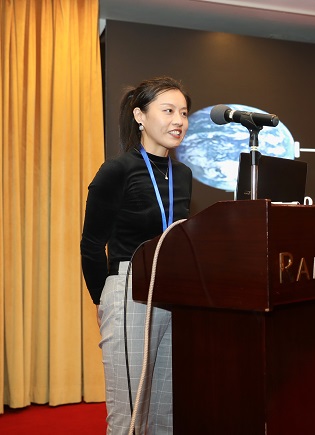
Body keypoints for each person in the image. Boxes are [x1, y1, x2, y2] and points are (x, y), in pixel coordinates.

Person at [80, 76, 193, 434]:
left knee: (166, 413)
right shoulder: (117, 170)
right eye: (168, 110)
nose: (178, 120)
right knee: (130, 416)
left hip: (173, 292)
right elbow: (91, 244)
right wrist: (104, 299)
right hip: (129, 290)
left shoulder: (183, 174)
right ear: (140, 116)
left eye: (184, 113)